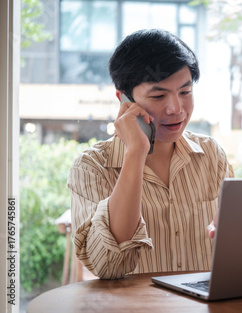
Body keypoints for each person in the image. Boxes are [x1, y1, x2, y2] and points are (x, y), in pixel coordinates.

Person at [67, 29, 233, 279]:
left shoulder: (211, 155)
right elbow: (108, 266)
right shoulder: (91, 167)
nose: (176, 109)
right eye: (158, 95)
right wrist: (136, 152)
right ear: (124, 99)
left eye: (185, 92)